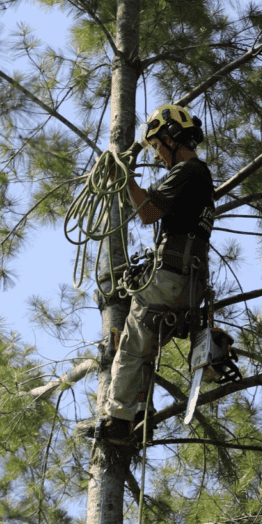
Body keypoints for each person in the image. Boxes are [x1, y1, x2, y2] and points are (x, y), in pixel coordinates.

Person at [92, 104, 215, 444]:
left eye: (160, 146)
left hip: (171, 276)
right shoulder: (200, 178)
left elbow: (148, 211)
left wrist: (123, 178)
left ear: (173, 137)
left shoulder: (189, 171)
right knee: (146, 345)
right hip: (189, 287)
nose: (159, 155)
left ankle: (117, 420)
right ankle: (141, 416)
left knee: (130, 348)